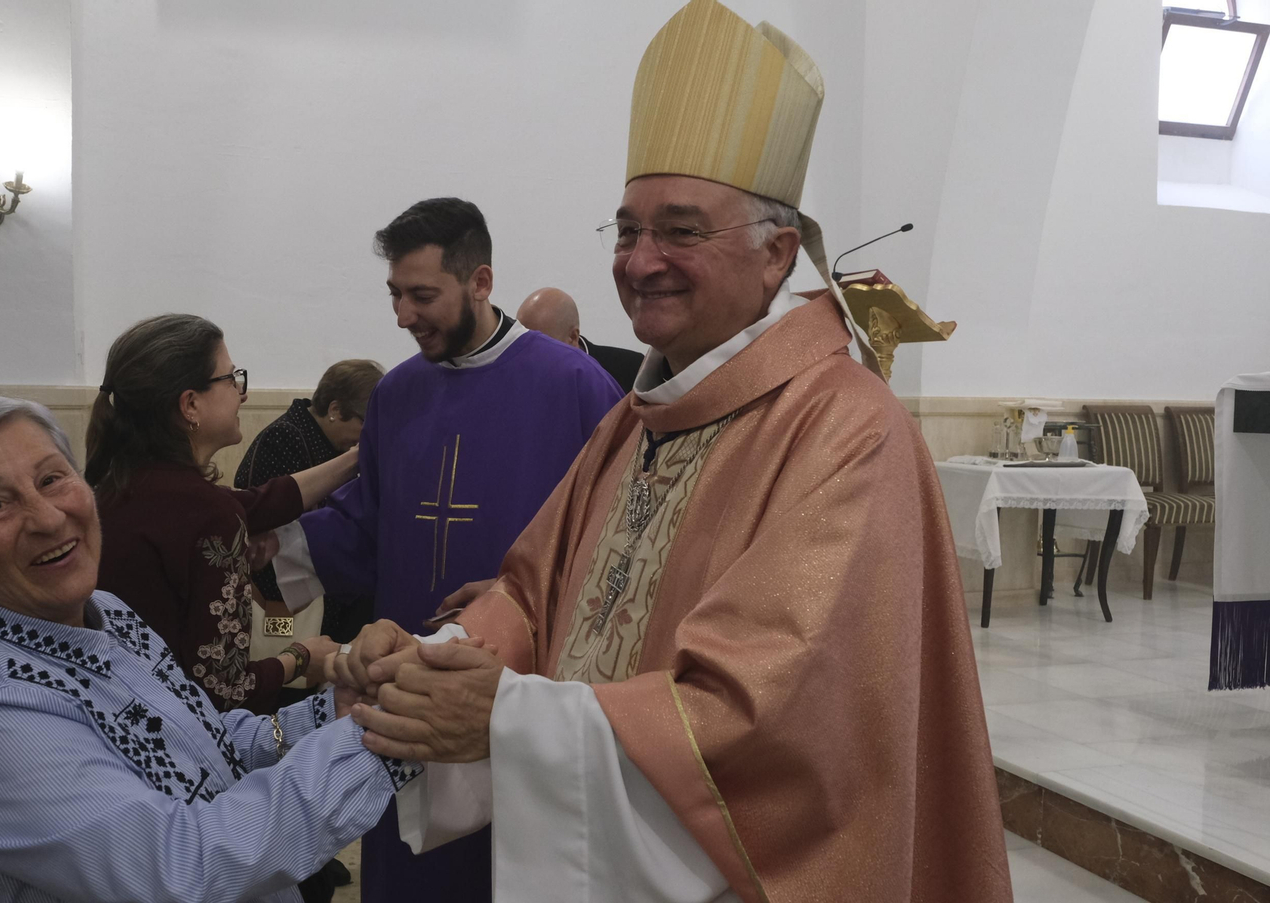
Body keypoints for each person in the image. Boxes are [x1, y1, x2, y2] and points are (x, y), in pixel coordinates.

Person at [337, 3, 1012, 901]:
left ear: (777, 256)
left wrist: (505, 718)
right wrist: (432, 661)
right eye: (625, 229)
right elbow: (535, 597)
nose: (639, 259)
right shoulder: (637, 418)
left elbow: (770, 727)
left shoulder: (846, 432)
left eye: (682, 231)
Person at [0, 395, 436, 903]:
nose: (49, 517)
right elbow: (186, 870)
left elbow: (198, 748)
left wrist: (337, 712)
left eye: (52, 479)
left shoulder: (106, 612)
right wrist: (392, 730)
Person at [262, 197, 623, 903]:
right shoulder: (397, 394)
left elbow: (616, 538)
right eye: (395, 294)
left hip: (517, 698)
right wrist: (269, 549)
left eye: (422, 295)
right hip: (406, 689)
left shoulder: (576, 387)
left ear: (480, 282)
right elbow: (366, 523)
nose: (403, 314)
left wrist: (519, 588)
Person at [85, 314, 346, 716]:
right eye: (231, 378)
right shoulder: (208, 513)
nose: (241, 393)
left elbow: (259, 502)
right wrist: (300, 655)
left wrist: (357, 459)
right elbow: (225, 689)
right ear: (190, 404)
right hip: (178, 731)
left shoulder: (118, 484)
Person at [236, 358, 386, 649]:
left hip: (328, 591)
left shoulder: (326, 442)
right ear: (335, 410)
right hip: (284, 599)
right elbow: (260, 526)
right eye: (365, 424)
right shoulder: (283, 439)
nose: (367, 437)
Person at [516, 286, 644, 393]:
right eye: (522, 344)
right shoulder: (517, 376)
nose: (530, 356)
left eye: (542, 347)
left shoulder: (631, 369)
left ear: (573, 337)